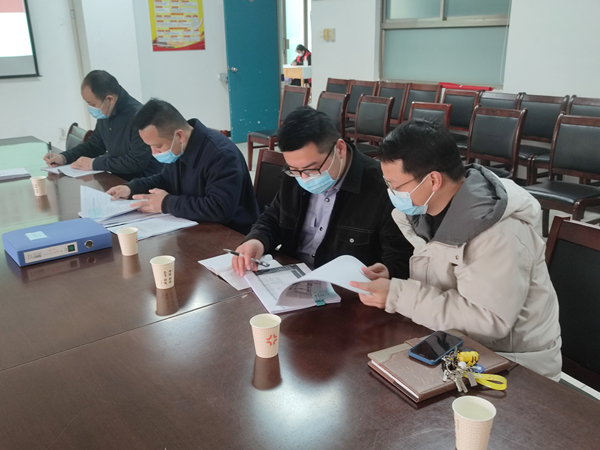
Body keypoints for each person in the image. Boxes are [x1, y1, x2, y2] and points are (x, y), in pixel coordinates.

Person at [349, 119, 562, 381]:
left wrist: (396, 295)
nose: (391, 193)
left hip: (515, 364)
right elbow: (443, 281)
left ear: (433, 180)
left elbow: (487, 320)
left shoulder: (498, 232)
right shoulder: (426, 211)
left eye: (396, 186)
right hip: (456, 345)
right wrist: (392, 278)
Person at [232, 107, 413, 279]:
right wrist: (257, 240)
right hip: (292, 273)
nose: (304, 178)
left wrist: (386, 273)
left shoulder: (383, 187)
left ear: (340, 149)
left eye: (312, 169)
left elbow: (399, 258)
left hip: (345, 288)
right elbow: (273, 217)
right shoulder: (295, 175)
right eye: (295, 170)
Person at [106, 99, 259, 235]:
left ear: (179, 136)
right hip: (195, 227)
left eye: (158, 146)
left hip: (231, 235)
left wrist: (166, 203)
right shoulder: (180, 148)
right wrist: (132, 188)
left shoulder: (221, 155)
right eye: (150, 147)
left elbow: (219, 209)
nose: (154, 153)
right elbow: (165, 180)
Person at [43, 70, 163, 181]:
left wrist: (94, 164)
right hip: (118, 180)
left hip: (143, 183)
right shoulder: (106, 111)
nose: (90, 108)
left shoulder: (139, 117)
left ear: (109, 100)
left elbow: (136, 162)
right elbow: (95, 145)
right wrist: (64, 157)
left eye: (92, 104)